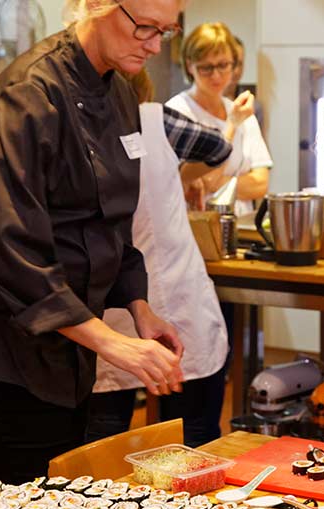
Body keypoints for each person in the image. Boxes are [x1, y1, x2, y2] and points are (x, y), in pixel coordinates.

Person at [0, 0, 187, 483]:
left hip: (62, 345)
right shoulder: (30, 93)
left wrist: (139, 307)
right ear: (95, 6)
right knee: (38, 497)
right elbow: (7, 244)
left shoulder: (121, 96)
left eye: (165, 32)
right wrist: (111, 342)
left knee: (52, 490)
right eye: (144, 27)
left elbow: (110, 222)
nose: (153, 45)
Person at [87, 68, 253, 448]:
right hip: (175, 300)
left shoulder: (75, 128)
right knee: (192, 435)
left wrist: (181, 175)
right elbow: (221, 150)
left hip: (108, 303)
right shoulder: (155, 117)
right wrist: (231, 127)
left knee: (101, 440)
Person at [167, 22, 272, 216]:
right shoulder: (177, 112)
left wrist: (219, 183)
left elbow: (260, 183)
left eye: (223, 65)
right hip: (199, 226)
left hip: (241, 226)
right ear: (190, 65)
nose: (216, 75)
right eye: (206, 67)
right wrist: (231, 125)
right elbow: (189, 181)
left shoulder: (240, 110)